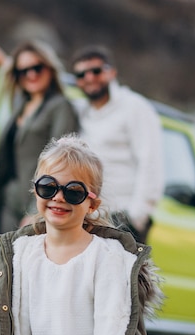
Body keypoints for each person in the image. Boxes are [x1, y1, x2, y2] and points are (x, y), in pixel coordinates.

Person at [0, 135, 162, 335]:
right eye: (48, 187)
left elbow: (129, 325)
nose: (58, 197)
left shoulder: (110, 259)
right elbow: (4, 321)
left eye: (74, 191)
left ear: (92, 203)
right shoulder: (20, 254)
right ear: (35, 191)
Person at [0, 40, 80, 234]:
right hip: (9, 202)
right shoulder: (21, 106)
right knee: (4, 262)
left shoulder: (61, 107)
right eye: (23, 71)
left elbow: (61, 162)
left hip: (37, 205)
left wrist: (35, 211)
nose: (31, 75)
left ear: (50, 69)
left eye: (37, 68)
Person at [70, 45, 165, 243]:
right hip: (87, 217)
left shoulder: (135, 107)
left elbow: (151, 162)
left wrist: (136, 218)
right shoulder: (81, 111)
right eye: (81, 74)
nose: (89, 78)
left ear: (112, 72)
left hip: (122, 218)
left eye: (96, 71)